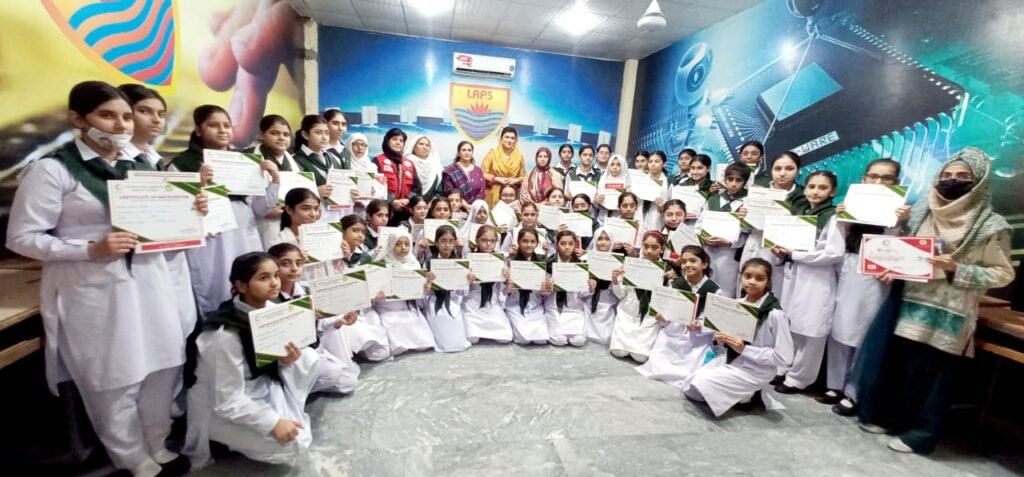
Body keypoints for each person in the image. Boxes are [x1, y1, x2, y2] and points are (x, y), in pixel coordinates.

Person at [7, 81, 198, 477]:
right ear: (78, 119)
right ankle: (131, 457)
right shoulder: (53, 169)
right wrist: (89, 249)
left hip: (152, 280)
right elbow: (22, 237)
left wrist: (190, 215)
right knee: (115, 375)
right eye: (107, 116)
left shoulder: (141, 167)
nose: (120, 125)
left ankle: (158, 443)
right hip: (92, 286)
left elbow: (166, 230)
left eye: (126, 116)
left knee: (164, 364)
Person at [856, 148, 1014, 455]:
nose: (952, 181)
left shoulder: (991, 226)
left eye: (963, 176)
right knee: (902, 367)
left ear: (979, 181)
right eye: (947, 175)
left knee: (936, 375)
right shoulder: (921, 211)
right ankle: (891, 419)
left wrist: (957, 267)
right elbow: (903, 251)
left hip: (950, 310)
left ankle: (921, 434)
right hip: (909, 302)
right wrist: (890, 269)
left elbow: (1002, 273)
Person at [183, 252, 319, 468]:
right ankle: (220, 440)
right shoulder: (224, 335)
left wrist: (283, 361)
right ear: (241, 285)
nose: (275, 283)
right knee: (291, 448)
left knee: (308, 358)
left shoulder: (271, 309)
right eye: (264, 278)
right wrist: (272, 423)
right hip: (221, 405)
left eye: (276, 275)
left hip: (258, 384)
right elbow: (226, 400)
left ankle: (271, 420)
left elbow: (268, 358)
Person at [170, 104, 280, 315]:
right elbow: (178, 211)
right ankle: (218, 324)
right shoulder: (183, 163)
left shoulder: (245, 162)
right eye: (214, 125)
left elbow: (260, 209)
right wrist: (199, 183)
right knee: (214, 281)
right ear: (199, 129)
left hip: (245, 231)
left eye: (227, 126)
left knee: (251, 278)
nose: (222, 131)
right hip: (212, 235)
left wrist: (274, 179)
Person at [825, 159, 910, 415]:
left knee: (864, 331)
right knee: (839, 326)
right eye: (873, 176)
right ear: (864, 179)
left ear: (896, 182)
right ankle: (834, 385)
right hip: (847, 265)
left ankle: (854, 391)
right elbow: (837, 241)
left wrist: (899, 222)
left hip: (876, 272)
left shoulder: (904, 211)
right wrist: (842, 218)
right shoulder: (852, 204)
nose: (878, 182)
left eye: (886, 178)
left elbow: (901, 249)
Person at [682, 258, 794, 417]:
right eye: (747, 276)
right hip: (730, 359)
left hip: (756, 369)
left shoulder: (775, 315)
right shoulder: (737, 304)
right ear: (741, 277)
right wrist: (701, 327)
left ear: (768, 282)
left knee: (702, 384)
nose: (752, 282)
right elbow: (718, 329)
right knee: (691, 388)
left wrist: (744, 349)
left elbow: (785, 358)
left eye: (759, 278)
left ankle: (749, 395)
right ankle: (743, 394)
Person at [771, 171, 843, 395]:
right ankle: (784, 366)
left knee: (811, 329)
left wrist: (797, 254)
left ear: (833, 192)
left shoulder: (833, 217)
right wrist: (780, 249)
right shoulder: (800, 213)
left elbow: (834, 253)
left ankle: (800, 378)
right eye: (811, 186)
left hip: (816, 278)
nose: (815, 192)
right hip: (793, 273)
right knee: (790, 323)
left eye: (822, 188)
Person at [267, 243, 359, 395]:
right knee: (331, 373)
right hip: (288, 355)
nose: (294, 269)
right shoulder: (270, 299)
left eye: (299, 263)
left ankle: (302, 387)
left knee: (348, 383)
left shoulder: (307, 290)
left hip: (311, 347)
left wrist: (339, 322)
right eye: (285, 264)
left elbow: (319, 325)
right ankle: (290, 391)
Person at [636, 245, 721, 388]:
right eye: (684, 261)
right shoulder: (676, 284)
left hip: (696, 335)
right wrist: (662, 318)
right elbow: (666, 313)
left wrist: (700, 326)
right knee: (662, 350)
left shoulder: (714, 290)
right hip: (674, 328)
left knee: (692, 362)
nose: (687, 265)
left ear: (704, 264)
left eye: (693, 261)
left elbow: (714, 322)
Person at [737, 152, 808, 297]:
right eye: (777, 169)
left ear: (798, 170)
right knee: (745, 291)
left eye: (789, 168)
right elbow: (745, 228)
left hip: (777, 250)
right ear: (771, 170)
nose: (782, 173)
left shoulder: (803, 196)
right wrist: (743, 217)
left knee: (771, 292)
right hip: (753, 244)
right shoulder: (759, 190)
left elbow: (800, 230)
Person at [608, 231, 670, 362]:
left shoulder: (668, 271)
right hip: (627, 312)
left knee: (641, 357)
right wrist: (615, 280)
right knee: (618, 352)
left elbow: (667, 301)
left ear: (662, 249)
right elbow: (621, 294)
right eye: (646, 246)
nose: (649, 251)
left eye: (654, 247)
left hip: (649, 316)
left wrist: (665, 282)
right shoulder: (632, 264)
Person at [373, 230, 437, 355]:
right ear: (390, 244)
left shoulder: (413, 263)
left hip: (410, 309)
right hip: (389, 310)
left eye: (406, 244)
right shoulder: (381, 265)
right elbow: (373, 293)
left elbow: (420, 296)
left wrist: (426, 288)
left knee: (424, 344)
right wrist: (379, 295)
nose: (403, 248)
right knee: (398, 344)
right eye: (398, 244)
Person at [338, 214, 391, 362]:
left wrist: (378, 293)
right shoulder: (331, 257)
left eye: (363, 232)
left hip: (365, 309)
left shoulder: (365, 257)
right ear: (342, 232)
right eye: (355, 230)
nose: (360, 235)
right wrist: (342, 259)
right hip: (342, 310)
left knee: (382, 352)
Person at [244, 115, 301, 247]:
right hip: (259, 222)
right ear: (261, 135)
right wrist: (264, 212)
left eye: (286, 134)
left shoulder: (293, 161)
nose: (281, 138)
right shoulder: (248, 158)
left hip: (288, 220)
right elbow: (242, 196)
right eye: (274, 133)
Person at [697, 162, 749, 298]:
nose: (733, 184)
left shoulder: (747, 203)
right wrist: (703, 238)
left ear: (745, 182)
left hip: (730, 255)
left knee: (726, 292)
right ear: (724, 179)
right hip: (708, 251)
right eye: (730, 179)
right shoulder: (713, 199)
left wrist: (730, 242)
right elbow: (699, 225)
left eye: (738, 180)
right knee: (707, 289)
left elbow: (748, 234)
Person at [423, 225, 473, 352]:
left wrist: (467, 281)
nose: (447, 245)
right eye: (443, 241)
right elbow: (424, 292)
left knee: (457, 338)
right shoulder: (429, 262)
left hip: (453, 300)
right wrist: (427, 283)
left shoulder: (459, 262)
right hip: (435, 300)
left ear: (455, 243)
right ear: (436, 243)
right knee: (440, 323)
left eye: (451, 241)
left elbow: (462, 292)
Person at [464, 225, 514, 343]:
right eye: (484, 240)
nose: (488, 244)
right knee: (472, 338)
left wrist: (506, 279)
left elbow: (503, 290)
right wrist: (467, 281)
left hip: (492, 303)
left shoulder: (500, 260)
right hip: (473, 304)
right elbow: (461, 290)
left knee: (505, 338)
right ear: (477, 240)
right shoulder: (469, 259)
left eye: (492, 241)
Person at [292, 115, 344, 224]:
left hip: (335, 215)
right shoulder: (296, 160)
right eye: (318, 132)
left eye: (327, 133)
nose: (324, 137)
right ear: (305, 134)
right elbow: (294, 192)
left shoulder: (332, 157)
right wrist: (316, 191)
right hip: (311, 217)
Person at [544, 230, 593, 347]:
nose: (567, 247)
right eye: (563, 243)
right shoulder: (548, 264)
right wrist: (548, 288)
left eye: (570, 244)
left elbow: (582, 293)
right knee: (559, 340)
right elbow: (542, 293)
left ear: (575, 245)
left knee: (579, 341)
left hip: (574, 308)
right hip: (554, 308)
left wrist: (590, 287)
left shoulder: (580, 265)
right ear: (557, 245)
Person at [504, 227, 550, 344]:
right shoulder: (510, 262)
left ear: (537, 243)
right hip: (515, 304)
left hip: (535, 305)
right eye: (525, 241)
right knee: (523, 340)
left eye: (532, 241)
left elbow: (545, 293)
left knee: (541, 340)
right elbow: (501, 290)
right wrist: (508, 289)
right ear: (518, 242)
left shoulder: (541, 262)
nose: (529, 245)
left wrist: (544, 290)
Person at [375, 128, 421, 225]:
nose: (398, 142)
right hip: (384, 211)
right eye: (394, 139)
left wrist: (408, 200)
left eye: (401, 140)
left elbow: (417, 187)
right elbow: (375, 186)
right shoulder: (378, 160)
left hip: (406, 212)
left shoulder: (409, 163)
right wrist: (392, 201)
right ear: (387, 141)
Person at [585, 227, 619, 344]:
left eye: (607, 239)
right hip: (588, 300)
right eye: (599, 239)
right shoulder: (586, 259)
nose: (603, 242)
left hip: (608, 300)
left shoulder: (617, 262)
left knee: (606, 337)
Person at [482, 126, 526, 207]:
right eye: (507, 137)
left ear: (515, 140)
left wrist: (515, 180)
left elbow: (523, 177)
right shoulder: (492, 154)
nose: (509, 140)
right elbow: (482, 174)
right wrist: (497, 179)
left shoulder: (519, 156)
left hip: (512, 194)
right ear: (501, 139)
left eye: (512, 138)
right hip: (493, 193)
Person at [442, 140, 487, 205]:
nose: (467, 153)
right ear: (458, 153)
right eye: (464, 150)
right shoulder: (450, 171)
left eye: (469, 150)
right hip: (456, 207)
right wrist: (466, 206)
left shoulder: (478, 170)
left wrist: (474, 207)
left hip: (476, 207)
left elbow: (481, 191)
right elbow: (449, 192)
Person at [641, 151, 673, 231]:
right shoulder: (640, 180)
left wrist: (663, 205)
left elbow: (672, 205)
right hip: (640, 215)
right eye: (650, 161)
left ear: (664, 164)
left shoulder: (668, 183)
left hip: (658, 218)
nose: (653, 164)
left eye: (657, 161)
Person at [595, 154, 630, 222]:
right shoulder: (602, 180)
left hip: (620, 218)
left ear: (623, 166)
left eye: (618, 165)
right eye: (612, 164)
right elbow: (596, 203)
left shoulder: (628, 182)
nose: (615, 167)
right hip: (602, 217)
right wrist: (597, 200)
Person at [407, 135, 444, 199]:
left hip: (432, 203)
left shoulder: (435, 164)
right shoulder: (407, 162)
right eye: (421, 144)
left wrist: (434, 200)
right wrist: (414, 200)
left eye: (427, 145)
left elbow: (439, 187)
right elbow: (405, 187)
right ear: (414, 146)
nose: (424, 147)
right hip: (410, 201)